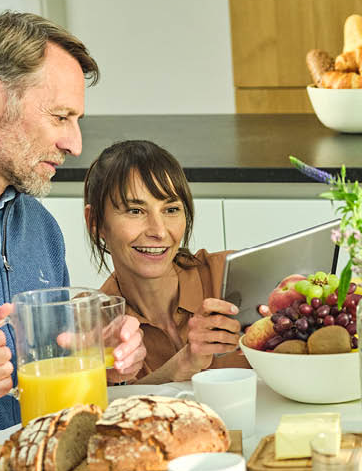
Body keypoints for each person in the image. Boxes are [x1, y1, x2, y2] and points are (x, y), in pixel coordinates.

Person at [0, 11, 146, 471]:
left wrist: (99, 355)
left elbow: (45, 372)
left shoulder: (41, 228)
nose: (75, 143)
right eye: (60, 117)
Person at [84, 139, 255, 383]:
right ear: (95, 223)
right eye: (135, 211)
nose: (159, 231)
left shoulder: (232, 274)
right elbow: (114, 412)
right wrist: (185, 363)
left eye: (171, 209)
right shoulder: (98, 325)